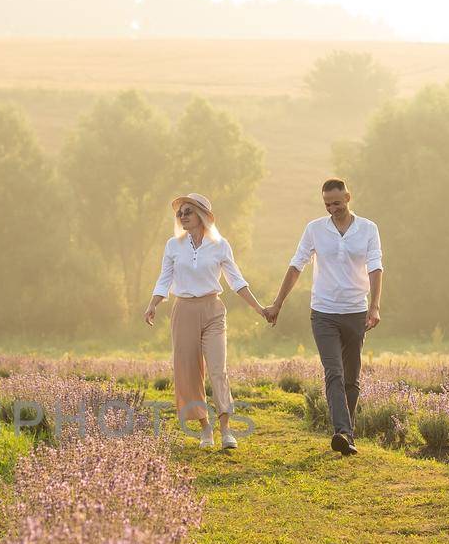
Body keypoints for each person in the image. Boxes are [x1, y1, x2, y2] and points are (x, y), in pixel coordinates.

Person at [264, 179, 384, 455]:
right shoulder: (315, 229)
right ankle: (342, 432)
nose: (332, 208)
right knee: (334, 372)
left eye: (337, 203)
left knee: (352, 377)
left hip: (355, 311)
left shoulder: (368, 229)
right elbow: (297, 266)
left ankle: (347, 436)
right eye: (327, 204)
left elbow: (376, 267)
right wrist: (278, 303)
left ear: (348, 197)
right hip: (324, 312)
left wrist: (374, 306)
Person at [144, 192, 271, 449]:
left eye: (188, 211)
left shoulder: (220, 245)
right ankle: (205, 428)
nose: (182, 217)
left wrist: (259, 308)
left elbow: (236, 280)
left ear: (202, 215)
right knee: (188, 371)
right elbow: (164, 279)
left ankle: (226, 430)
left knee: (217, 369)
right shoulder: (173, 245)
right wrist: (153, 304)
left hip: (213, 309)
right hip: (184, 310)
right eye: (180, 213)